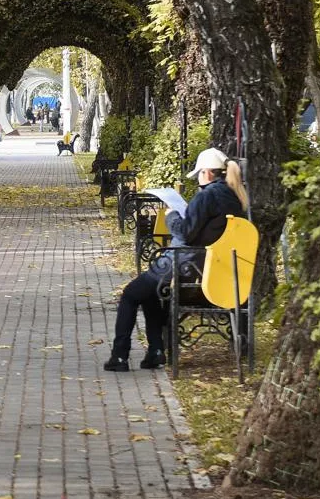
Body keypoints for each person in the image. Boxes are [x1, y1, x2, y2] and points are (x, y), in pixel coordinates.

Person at [104, 147, 248, 372]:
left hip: (188, 267)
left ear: (207, 173)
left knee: (131, 294)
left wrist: (172, 215)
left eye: (199, 175)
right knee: (150, 293)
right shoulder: (236, 199)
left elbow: (186, 233)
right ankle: (156, 352)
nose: (199, 181)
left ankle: (120, 356)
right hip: (217, 271)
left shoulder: (207, 196)